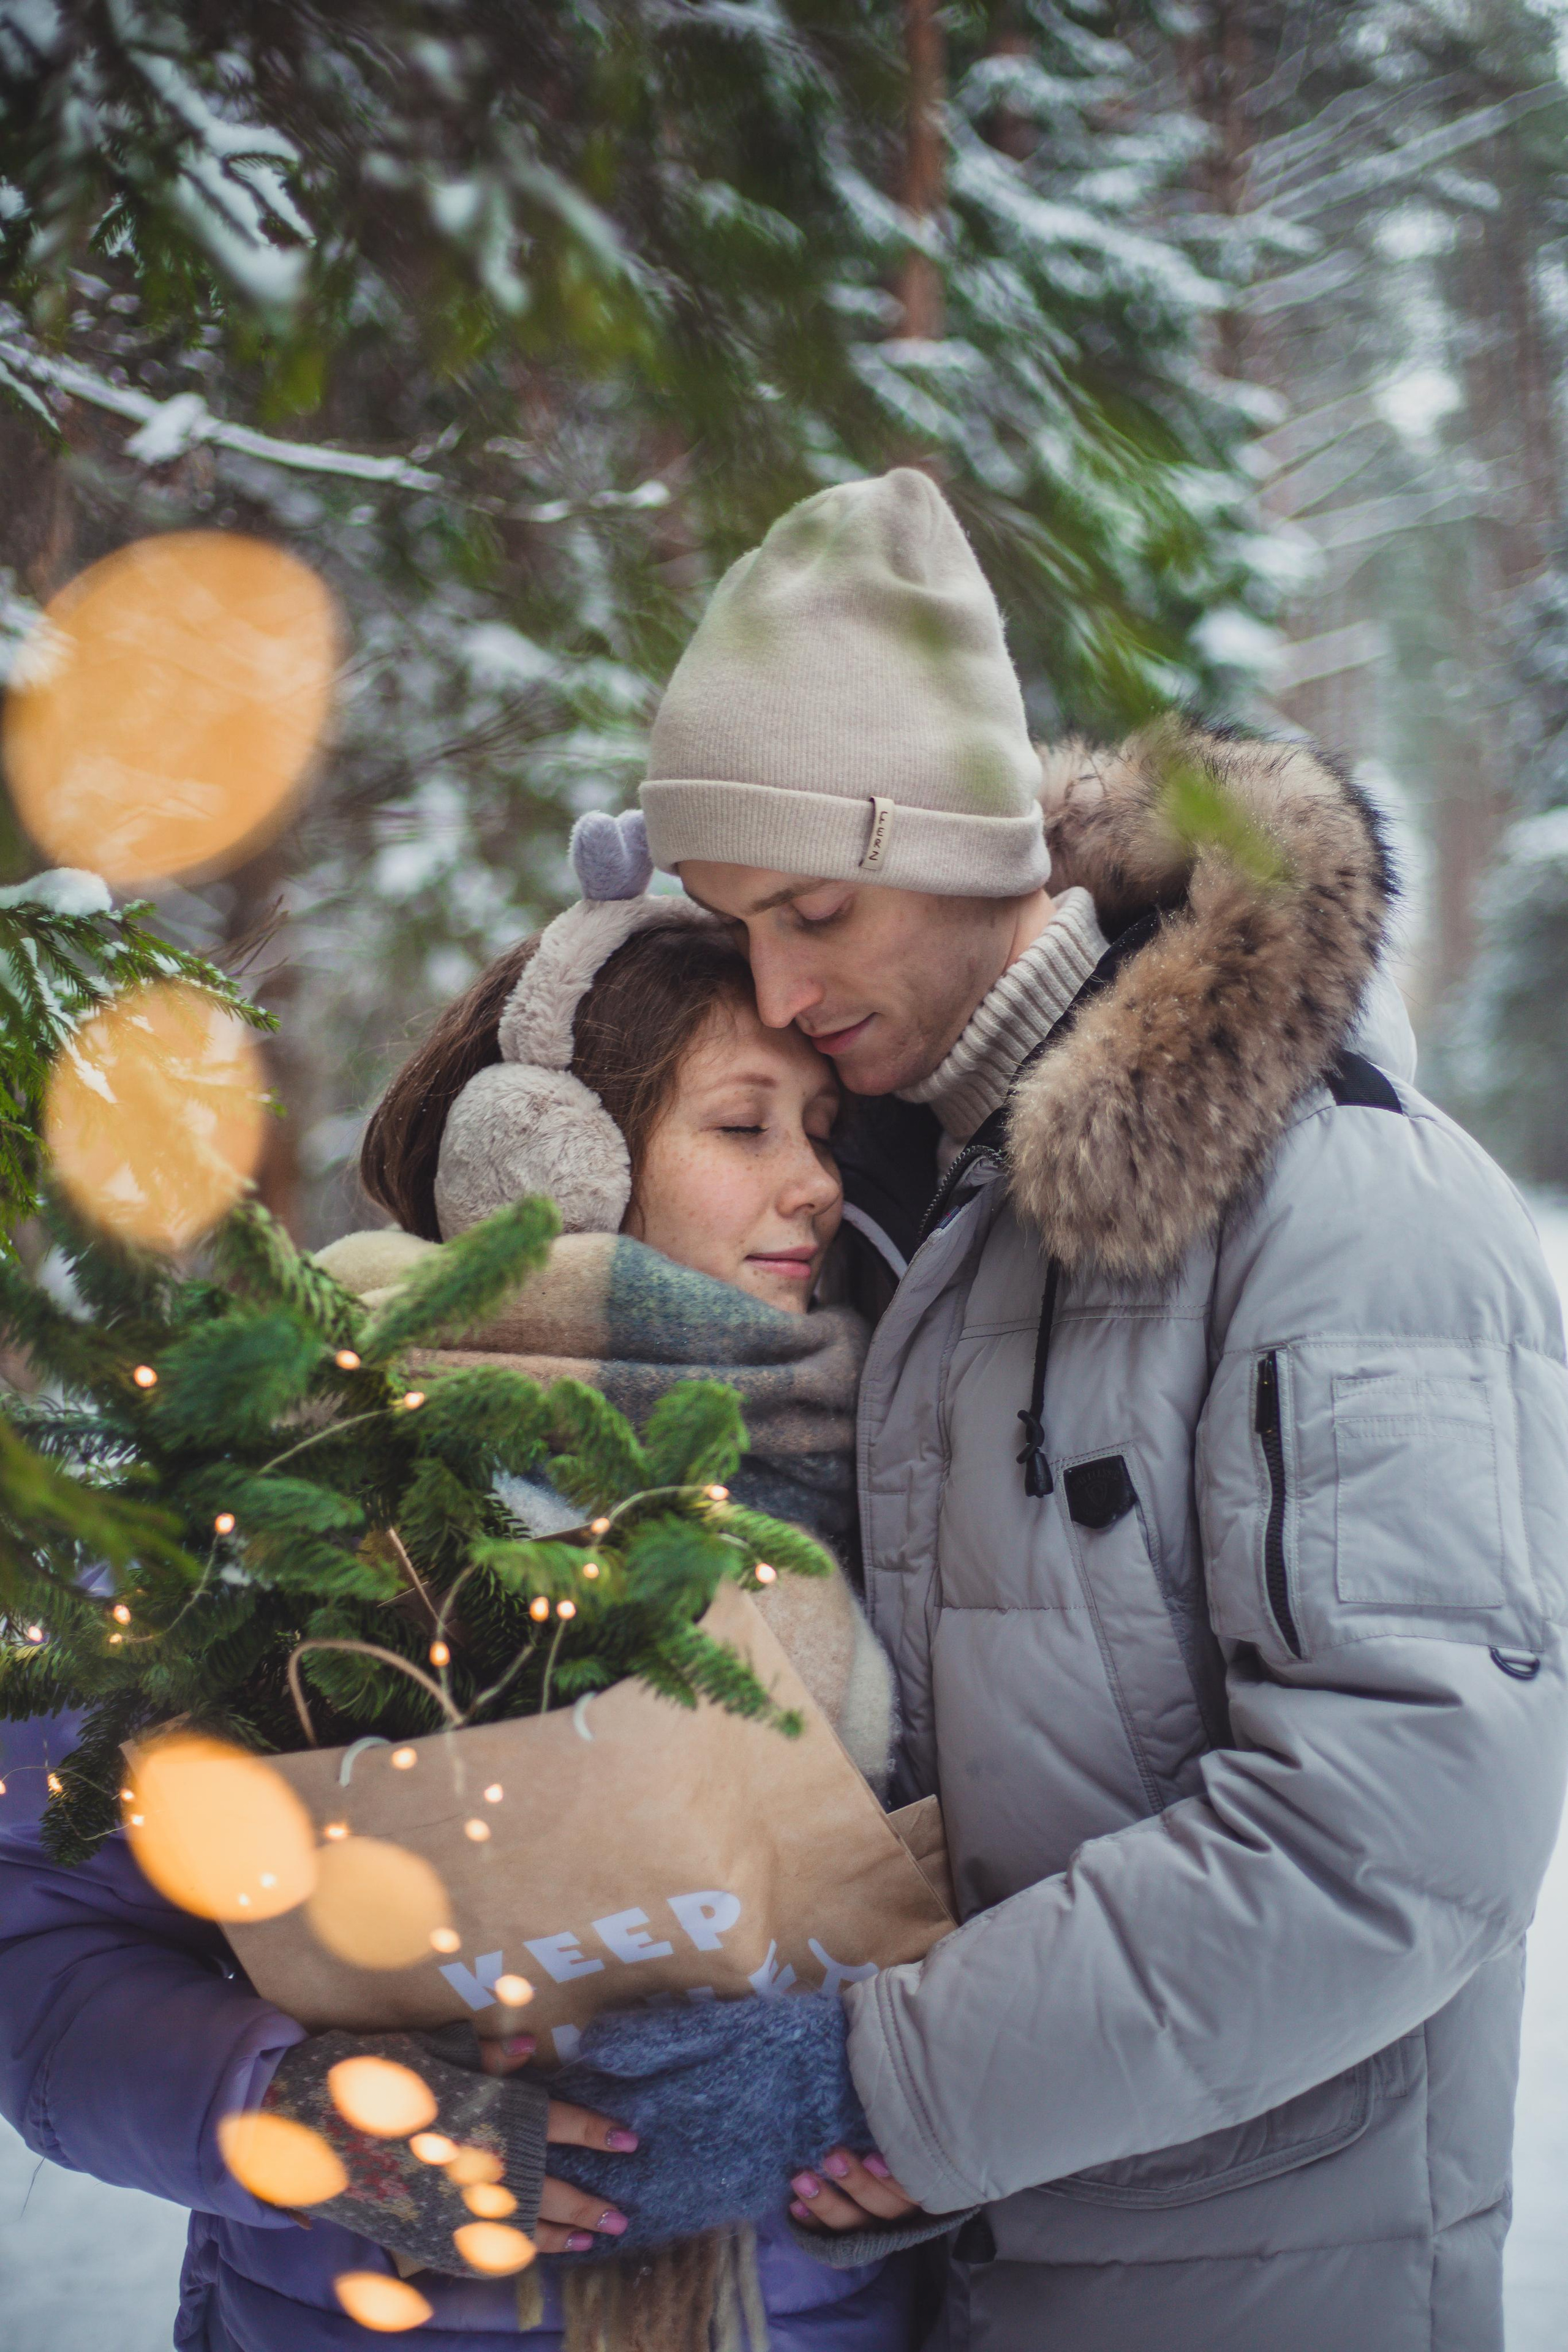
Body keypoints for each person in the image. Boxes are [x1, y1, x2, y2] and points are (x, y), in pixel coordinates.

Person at [622, 466, 1568, 2351]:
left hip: (1264, 2294)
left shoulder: (1345, 1207)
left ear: (981, 843)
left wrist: (867, 2075)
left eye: (818, 909)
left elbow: (1397, 1832)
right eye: (743, 932)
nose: (788, 991)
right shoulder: (890, 1226)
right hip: (954, 2282)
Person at [0, 871, 916, 2352]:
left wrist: (911, 2150)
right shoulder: (298, 1470)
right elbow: (40, 1943)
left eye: (824, 1133)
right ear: (559, 1161)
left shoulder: (899, 1472)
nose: (813, 1182)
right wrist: (286, 2114)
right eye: (742, 1125)